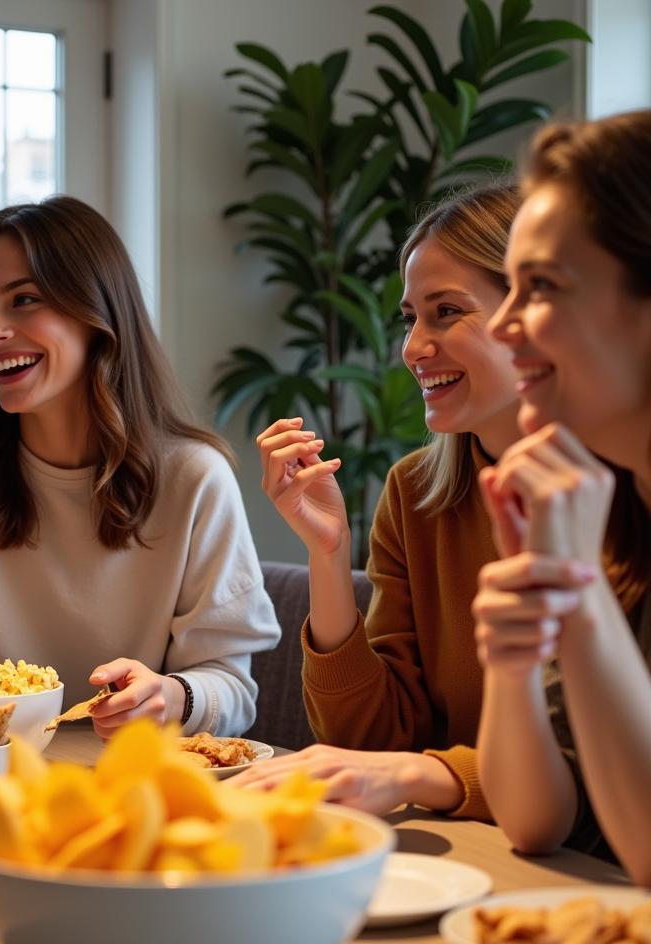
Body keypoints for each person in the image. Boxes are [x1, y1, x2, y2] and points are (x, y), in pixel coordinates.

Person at [0, 196, 279, 738]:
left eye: (23, 299)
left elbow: (231, 689)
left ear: (98, 313)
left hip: (129, 790)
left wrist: (172, 696)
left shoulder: (195, 478)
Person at [238, 185, 522, 816]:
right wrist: (329, 555)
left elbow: (600, 755)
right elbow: (368, 742)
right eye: (410, 317)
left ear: (534, 315)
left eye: (446, 312)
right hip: (470, 850)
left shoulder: (624, 490)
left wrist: (429, 778)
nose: (413, 347)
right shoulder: (418, 492)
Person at [472, 111, 651, 883]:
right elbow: (535, 820)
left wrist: (578, 604)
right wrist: (511, 664)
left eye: (540, 287)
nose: (503, 324)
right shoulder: (606, 513)